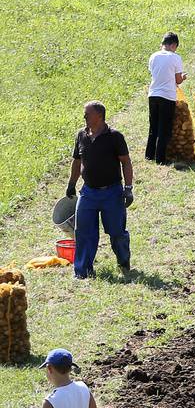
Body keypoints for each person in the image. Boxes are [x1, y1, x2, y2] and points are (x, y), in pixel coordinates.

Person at [65, 103, 132, 280]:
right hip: (88, 193)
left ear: (99, 116)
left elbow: (125, 162)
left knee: (117, 232)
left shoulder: (114, 137)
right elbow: (77, 162)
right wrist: (72, 183)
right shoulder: (81, 135)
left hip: (112, 192)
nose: (84, 117)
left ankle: (123, 261)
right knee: (84, 232)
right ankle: (82, 271)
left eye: (87, 114)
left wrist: (128, 188)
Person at [144, 32, 185, 163]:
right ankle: (161, 158)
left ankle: (149, 155)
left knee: (153, 126)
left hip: (153, 94)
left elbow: (155, 73)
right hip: (167, 95)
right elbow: (178, 80)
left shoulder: (153, 56)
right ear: (173, 45)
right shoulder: (175, 57)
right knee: (164, 127)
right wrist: (183, 77)